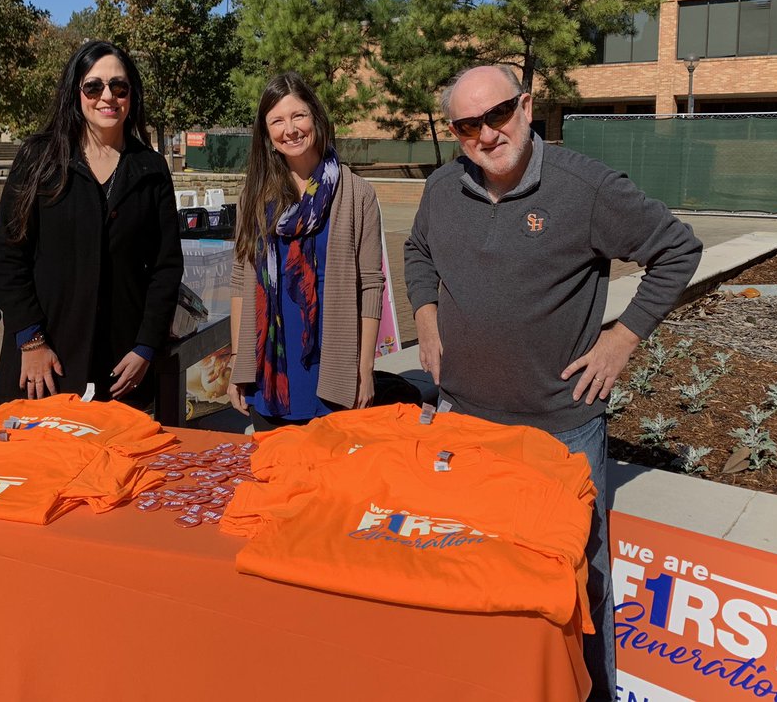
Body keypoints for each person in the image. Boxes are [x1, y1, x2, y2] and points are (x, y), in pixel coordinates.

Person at [404, 65, 702, 702]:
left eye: (499, 114)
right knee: (468, 566)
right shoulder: (439, 190)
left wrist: (623, 338)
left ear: (527, 106)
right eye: (467, 125)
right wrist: (426, 318)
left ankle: (591, 692)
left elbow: (676, 249)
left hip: (560, 427)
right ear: (453, 132)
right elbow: (418, 252)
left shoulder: (584, 188)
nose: (486, 134)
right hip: (464, 420)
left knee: (580, 581)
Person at [0, 40, 182, 407]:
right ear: (75, 92)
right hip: (45, 362)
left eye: (119, 87)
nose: (107, 96)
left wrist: (145, 347)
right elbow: (6, 257)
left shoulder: (150, 169)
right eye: (94, 86)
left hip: (121, 367)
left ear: (131, 94)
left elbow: (165, 268)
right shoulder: (40, 159)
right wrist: (31, 339)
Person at [227, 72, 385, 430]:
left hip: (332, 371)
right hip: (270, 372)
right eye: (277, 121)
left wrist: (364, 370)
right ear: (267, 133)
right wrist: (238, 361)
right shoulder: (253, 197)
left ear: (315, 116)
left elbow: (371, 286)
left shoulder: (357, 195)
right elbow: (241, 280)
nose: (291, 129)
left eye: (298, 116)